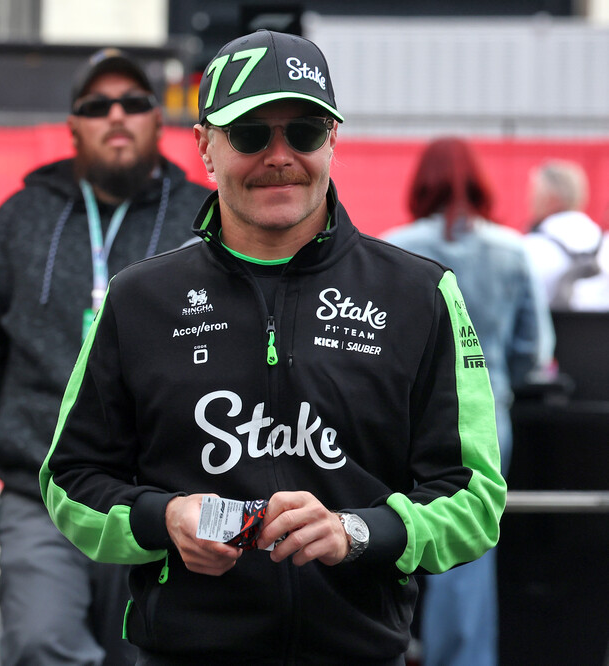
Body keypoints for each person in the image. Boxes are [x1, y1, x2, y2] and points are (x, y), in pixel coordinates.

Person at [40, 30, 505, 664]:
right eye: (251, 134)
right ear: (205, 146)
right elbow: (69, 480)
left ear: (333, 140)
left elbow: (476, 497)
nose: (280, 155)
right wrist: (165, 519)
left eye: (304, 133)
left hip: (360, 651)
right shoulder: (138, 299)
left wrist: (357, 532)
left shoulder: (421, 294)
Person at [0, 48, 211, 666]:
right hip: (41, 491)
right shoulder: (18, 219)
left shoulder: (204, 220)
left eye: (134, 103)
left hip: (163, 501)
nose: (117, 115)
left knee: (147, 653)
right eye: (96, 105)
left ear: (158, 119)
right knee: (39, 643)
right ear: (73, 125)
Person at [383, 137, 553, 666]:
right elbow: (534, 350)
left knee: (379, 532)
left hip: (399, 420)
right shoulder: (510, 250)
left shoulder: (393, 246)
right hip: (483, 417)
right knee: (468, 550)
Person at [523, 159, 609, 310]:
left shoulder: (531, 248)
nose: (529, 199)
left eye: (534, 193)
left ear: (550, 198)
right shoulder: (603, 242)